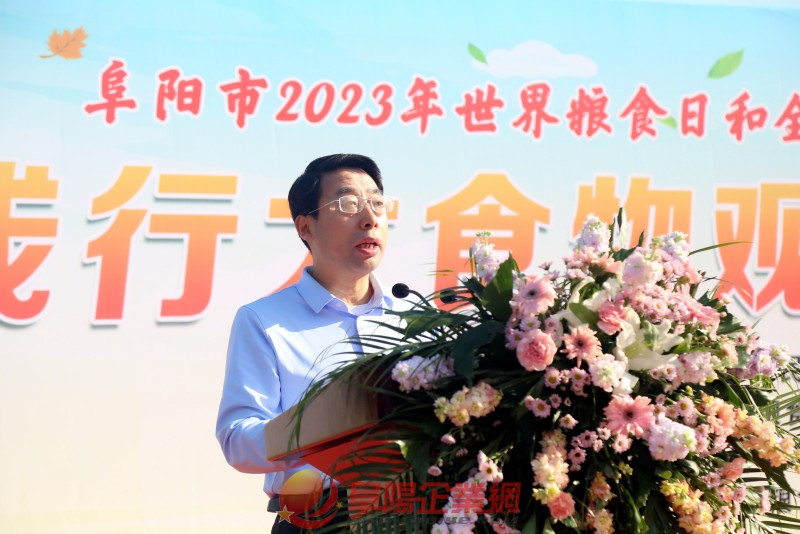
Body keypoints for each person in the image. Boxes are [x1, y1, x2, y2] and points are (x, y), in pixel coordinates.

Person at [215, 154, 403, 533]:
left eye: (377, 202)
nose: (370, 217)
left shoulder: (412, 314)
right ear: (306, 227)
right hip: (319, 519)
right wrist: (316, 427)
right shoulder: (264, 320)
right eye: (348, 203)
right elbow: (237, 440)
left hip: (418, 511)